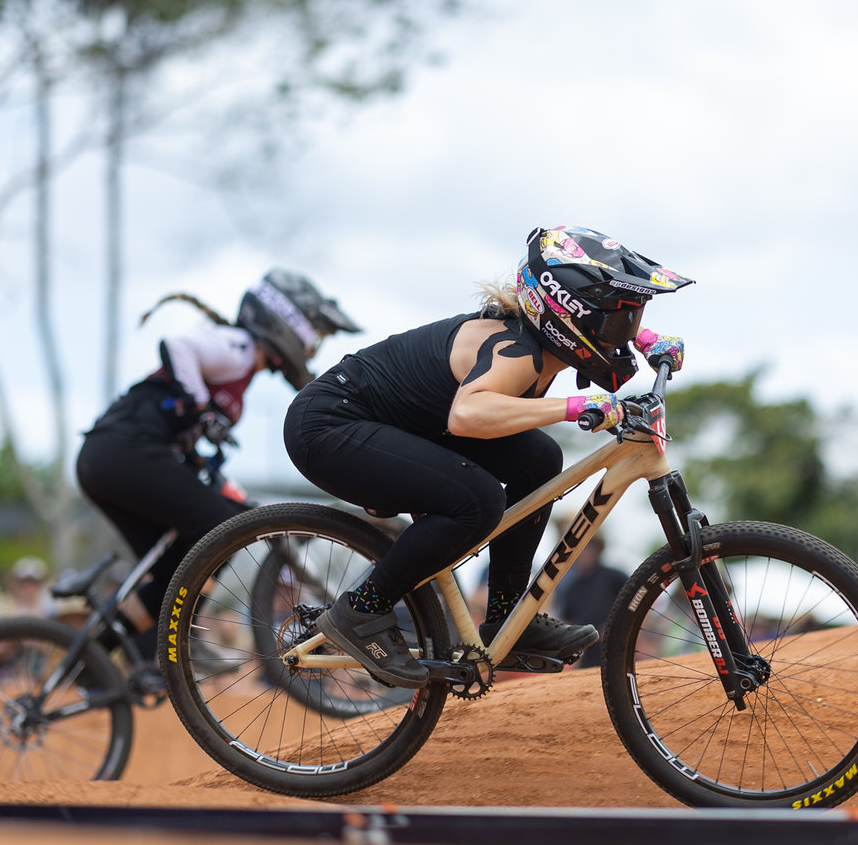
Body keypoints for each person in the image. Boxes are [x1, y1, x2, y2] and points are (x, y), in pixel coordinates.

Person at [285, 226, 690, 687]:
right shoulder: (515, 352)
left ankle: (506, 618)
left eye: (632, 321)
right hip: (329, 425)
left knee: (539, 460)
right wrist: (578, 407)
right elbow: (467, 414)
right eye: (621, 324)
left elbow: (606, 325)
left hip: (399, 424)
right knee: (476, 500)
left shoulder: (545, 340)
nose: (626, 334)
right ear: (570, 315)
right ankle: (361, 612)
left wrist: (648, 341)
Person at [75, 270, 361, 660]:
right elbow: (177, 347)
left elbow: (184, 439)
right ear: (289, 322)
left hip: (109, 460)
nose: (314, 347)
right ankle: (176, 642)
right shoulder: (238, 346)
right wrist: (200, 406)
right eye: (316, 333)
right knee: (217, 529)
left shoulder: (242, 373)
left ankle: (97, 659)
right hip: (123, 451)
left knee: (176, 567)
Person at [553, 536, 627, 669]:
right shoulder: (572, 588)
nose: (583, 554)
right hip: (587, 659)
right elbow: (567, 621)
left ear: (597, 550)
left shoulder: (614, 577)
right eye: (579, 550)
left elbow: (636, 601)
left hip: (619, 650)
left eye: (588, 548)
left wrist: (620, 626)